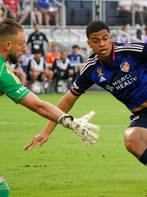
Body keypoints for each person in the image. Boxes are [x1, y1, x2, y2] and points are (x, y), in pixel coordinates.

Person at [24, 20, 147, 196]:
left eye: (105, 38)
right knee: (132, 140)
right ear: (89, 43)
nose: (102, 44)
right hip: (144, 115)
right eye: (96, 41)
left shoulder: (129, 51)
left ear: (110, 37)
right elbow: (67, 100)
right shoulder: (91, 69)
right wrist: (46, 131)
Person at [0, 18, 99, 197]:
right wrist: (71, 123)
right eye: (22, 44)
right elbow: (38, 105)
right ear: (7, 45)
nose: (25, 49)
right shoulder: (2, 72)